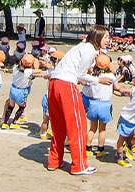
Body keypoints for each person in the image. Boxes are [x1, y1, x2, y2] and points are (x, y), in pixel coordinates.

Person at [47, 24, 113, 175]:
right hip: (66, 85)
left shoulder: (81, 46)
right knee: (78, 125)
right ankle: (79, 165)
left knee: (58, 125)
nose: (107, 40)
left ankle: (54, 161)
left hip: (54, 84)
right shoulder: (89, 50)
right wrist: (99, 80)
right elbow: (81, 75)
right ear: (98, 37)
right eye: (106, 37)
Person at [83, 53, 126, 157]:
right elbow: (117, 88)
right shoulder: (111, 76)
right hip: (105, 104)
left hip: (93, 103)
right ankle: (100, 149)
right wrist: (124, 91)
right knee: (102, 129)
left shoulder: (93, 76)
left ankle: (87, 148)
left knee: (92, 128)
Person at [2, 54, 42, 129]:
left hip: (13, 89)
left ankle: (5, 122)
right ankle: (14, 122)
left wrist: (7, 70)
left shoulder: (15, 68)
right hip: (22, 91)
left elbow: (11, 70)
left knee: (11, 106)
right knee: (22, 107)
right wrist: (36, 67)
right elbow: (39, 71)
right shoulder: (28, 71)